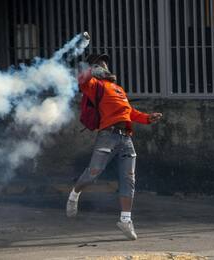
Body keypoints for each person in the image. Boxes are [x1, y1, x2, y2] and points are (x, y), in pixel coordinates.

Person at [66, 53, 163, 240]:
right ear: (95, 68)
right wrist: (88, 68)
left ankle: (125, 220)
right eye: (101, 63)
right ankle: (74, 194)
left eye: (105, 63)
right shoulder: (96, 86)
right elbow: (81, 80)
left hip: (126, 138)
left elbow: (129, 112)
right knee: (94, 171)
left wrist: (147, 118)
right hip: (107, 136)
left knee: (129, 179)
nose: (105, 65)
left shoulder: (118, 89)